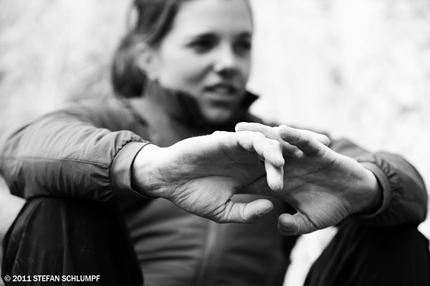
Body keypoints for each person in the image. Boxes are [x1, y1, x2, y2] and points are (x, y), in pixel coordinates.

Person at [0, 0, 429, 285]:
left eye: (241, 46)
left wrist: (369, 189)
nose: (228, 63)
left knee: (393, 232)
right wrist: (149, 167)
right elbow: (21, 150)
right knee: (56, 206)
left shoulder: (279, 147)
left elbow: (409, 186)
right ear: (148, 58)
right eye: (203, 44)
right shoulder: (112, 121)